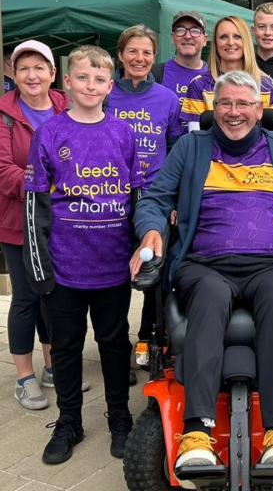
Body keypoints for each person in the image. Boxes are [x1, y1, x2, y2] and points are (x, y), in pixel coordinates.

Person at [130, 70, 273, 478]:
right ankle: (196, 434)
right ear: (214, 107)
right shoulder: (192, 148)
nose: (233, 112)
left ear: (259, 109)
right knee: (209, 297)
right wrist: (153, 229)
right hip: (205, 265)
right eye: (225, 103)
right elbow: (155, 199)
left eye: (243, 104)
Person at [23, 45, 143, 464]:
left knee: (113, 345)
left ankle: (120, 419)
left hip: (112, 267)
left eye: (99, 79)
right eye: (82, 78)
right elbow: (35, 203)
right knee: (68, 347)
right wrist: (39, 265)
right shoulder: (50, 133)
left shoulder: (123, 132)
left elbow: (137, 196)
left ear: (110, 86)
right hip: (65, 268)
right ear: (67, 82)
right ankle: (69, 421)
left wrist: (140, 252)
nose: (90, 86)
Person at [0, 40, 88, 411]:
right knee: (25, 297)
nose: (31, 75)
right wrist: (49, 186)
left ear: (54, 74)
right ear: (13, 73)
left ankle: (53, 367)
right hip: (19, 222)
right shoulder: (4, 114)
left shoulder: (67, 106)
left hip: (62, 222)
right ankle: (24, 377)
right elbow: (4, 172)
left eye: (40, 68)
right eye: (24, 69)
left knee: (52, 295)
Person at [106, 24, 184, 382]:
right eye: (133, 51)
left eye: (147, 52)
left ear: (155, 58)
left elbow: (176, 150)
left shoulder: (167, 98)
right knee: (115, 275)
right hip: (109, 196)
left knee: (155, 272)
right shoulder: (106, 95)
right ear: (120, 55)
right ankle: (116, 347)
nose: (140, 58)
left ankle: (150, 341)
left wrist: (172, 197)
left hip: (154, 196)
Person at [182, 15, 273, 129]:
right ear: (215, 44)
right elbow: (196, 137)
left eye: (237, 37)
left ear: (246, 42)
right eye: (223, 37)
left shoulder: (266, 85)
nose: (230, 42)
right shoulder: (199, 85)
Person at [150, 10, 209, 107]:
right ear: (172, 38)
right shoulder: (153, 75)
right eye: (181, 30)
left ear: (205, 40)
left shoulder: (216, 78)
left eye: (195, 31)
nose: (187, 36)